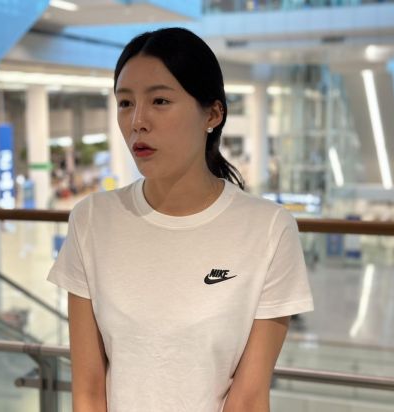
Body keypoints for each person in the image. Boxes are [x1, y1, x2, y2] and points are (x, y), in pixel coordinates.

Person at [47, 27, 314, 412]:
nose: (137, 121)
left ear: (213, 114)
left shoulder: (269, 230)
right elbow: (87, 391)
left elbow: (249, 399)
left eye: (159, 100)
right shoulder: (91, 220)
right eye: (125, 103)